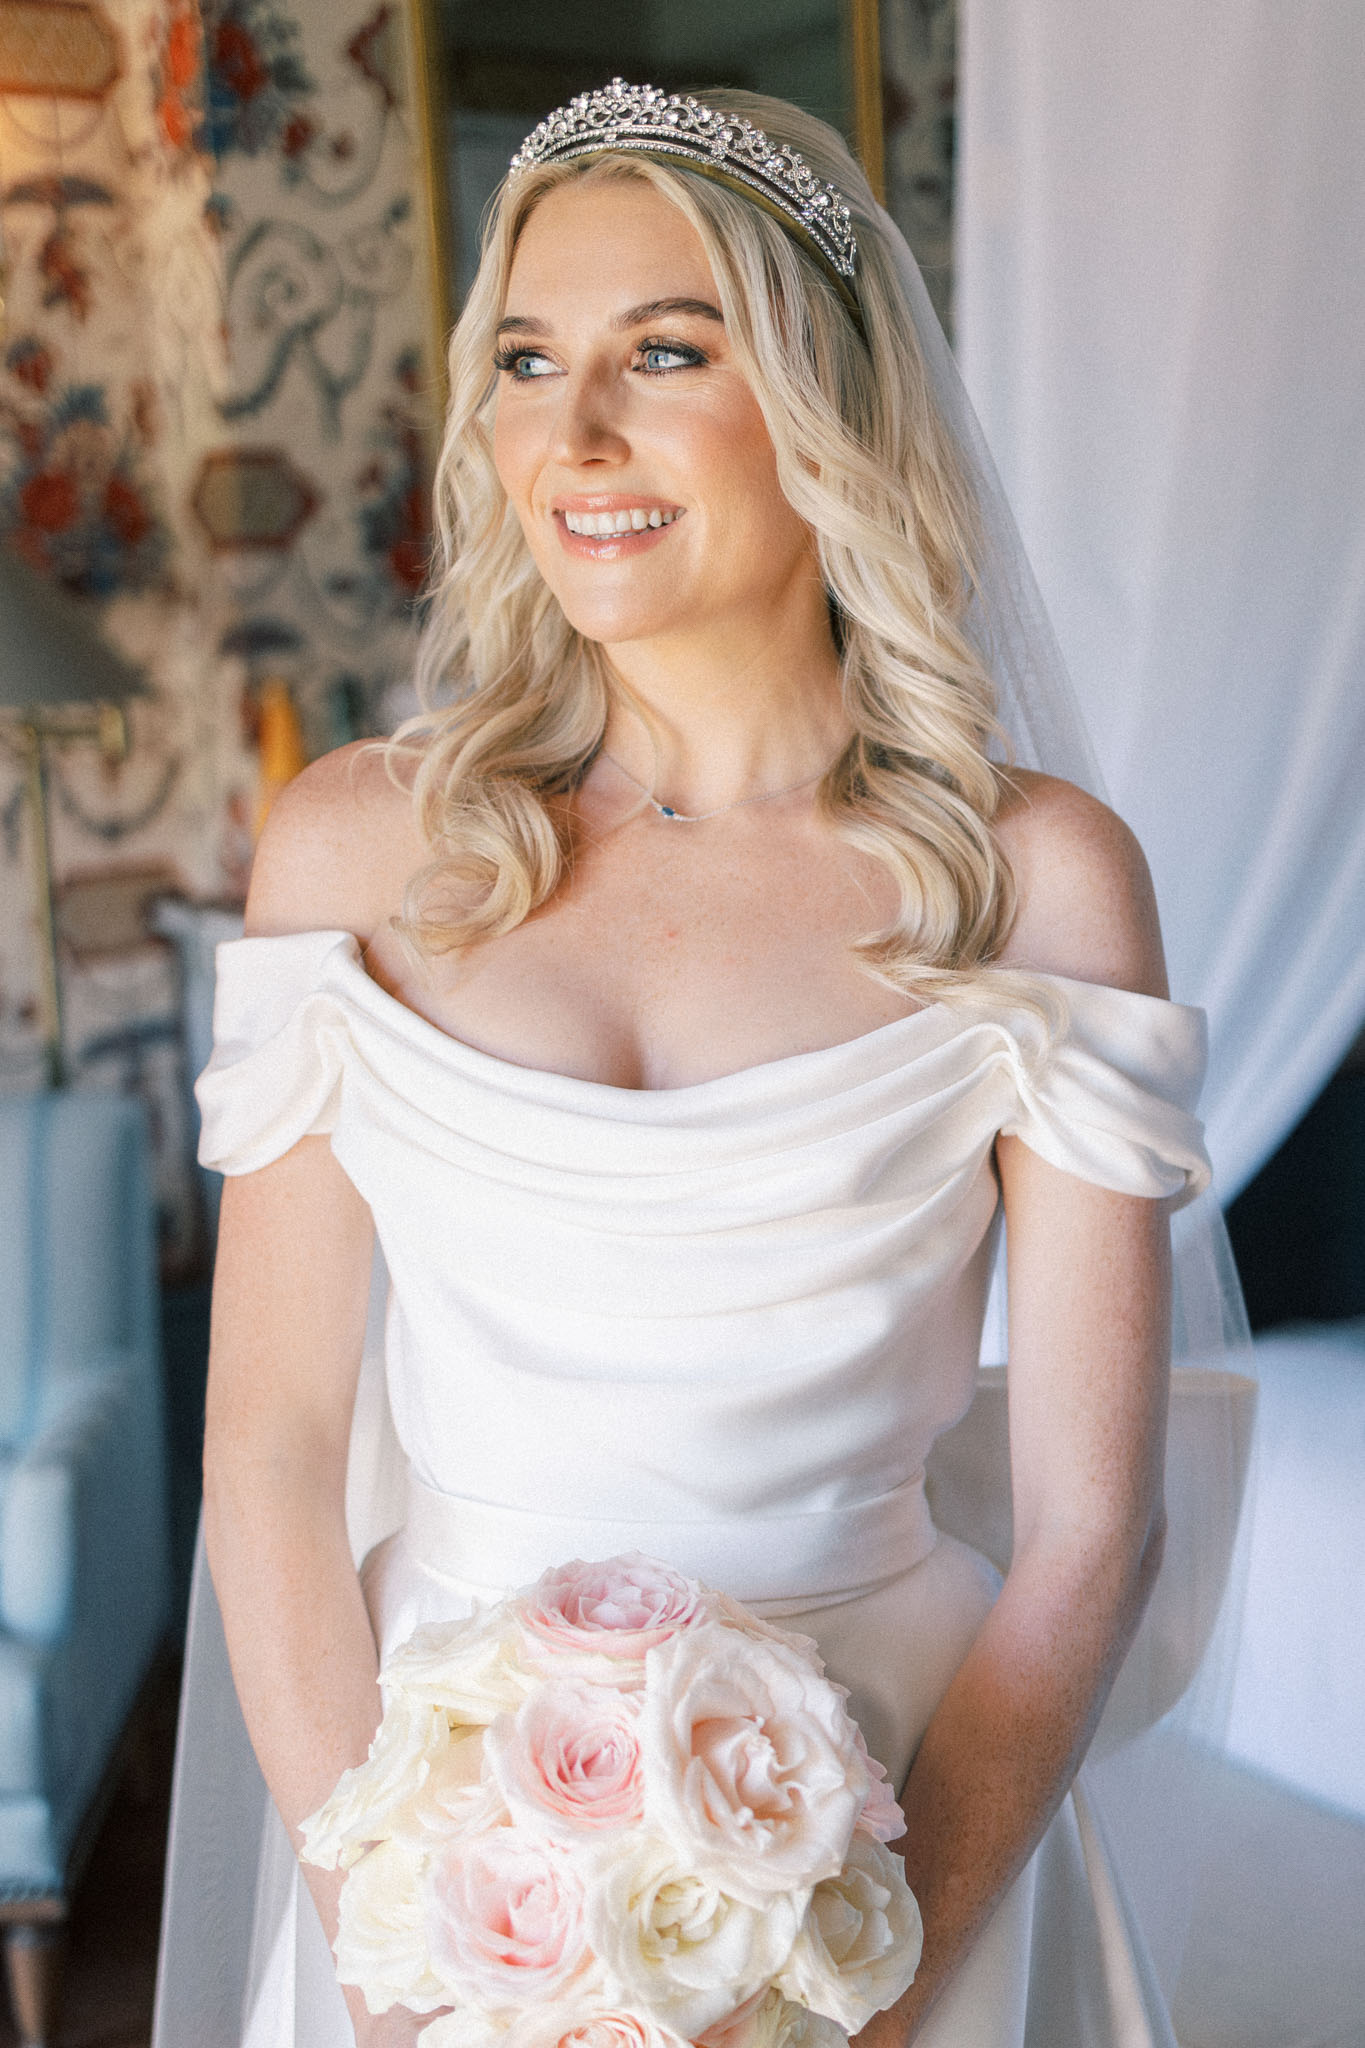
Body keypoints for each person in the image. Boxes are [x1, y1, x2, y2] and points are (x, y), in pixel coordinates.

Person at [162, 82, 1243, 2048]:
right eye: (523, 360)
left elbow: (1096, 1524)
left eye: (662, 352)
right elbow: (269, 1458)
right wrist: (398, 1953)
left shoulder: (1034, 881)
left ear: (825, 401)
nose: (570, 437)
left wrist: (867, 1971)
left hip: (899, 1824)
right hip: (432, 1854)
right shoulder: (351, 854)